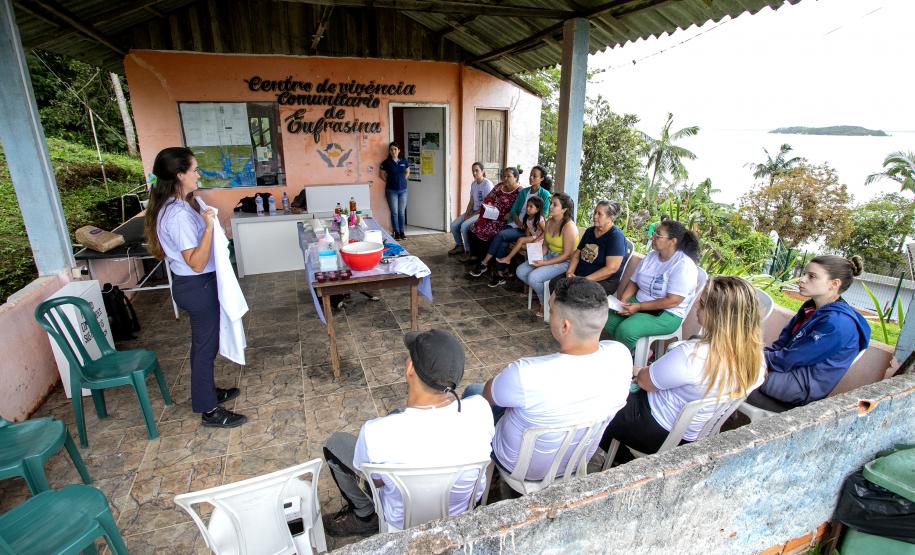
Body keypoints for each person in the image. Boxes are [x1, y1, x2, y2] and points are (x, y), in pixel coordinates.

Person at [322, 329, 494, 536]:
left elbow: (375, 481)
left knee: (335, 444)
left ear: (410, 368)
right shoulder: (481, 410)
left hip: (400, 521)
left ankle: (364, 516)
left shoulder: (376, 432)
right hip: (458, 514)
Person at [463, 277, 631, 481]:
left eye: (551, 311)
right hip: (574, 462)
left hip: (519, 467)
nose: (548, 316)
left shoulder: (525, 374)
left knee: (474, 392)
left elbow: (488, 395)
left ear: (565, 326)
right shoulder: (621, 355)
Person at [600, 276, 766, 462]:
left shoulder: (693, 356)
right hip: (693, 436)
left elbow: (646, 383)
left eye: (702, 304)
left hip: (653, 430)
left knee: (597, 400)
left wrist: (637, 370)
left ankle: (621, 461)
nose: (696, 307)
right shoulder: (758, 361)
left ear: (717, 315)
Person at [143, 147, 246, 428]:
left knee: (207, 345)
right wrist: (209, 226)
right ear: (180, 175)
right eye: (195, 170)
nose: (198, 174)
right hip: (196, 284)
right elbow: (196, 262)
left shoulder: (181, 204)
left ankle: (208, 392)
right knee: (204, 347)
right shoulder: (176, 215)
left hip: (196, 284)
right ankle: (209, 410)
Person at [746, 255, 871, 412]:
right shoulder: (812, 307)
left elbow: (790, 358)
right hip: (786, 370)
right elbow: (782, 343)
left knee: (726, 369)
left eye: (811, 276)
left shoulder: (837, 323)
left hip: (800, 385)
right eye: (804, 274)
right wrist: (758, 357)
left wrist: (754, 360)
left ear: (834, 284)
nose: (802, 279)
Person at [604, 220, 700, 351]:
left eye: (658, 235)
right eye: (654, 233)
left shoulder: (683, 265)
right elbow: (634, 282)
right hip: (639, 302)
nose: (652, 237)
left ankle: (629, 358)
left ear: (673, 241)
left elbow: (673, 301)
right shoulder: (651, 256)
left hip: (668, 312)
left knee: (627, 330)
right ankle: (635, 351)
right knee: (605, 317)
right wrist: (623, 301)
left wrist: (639, 307)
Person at [469, 165, 552, 278]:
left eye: (534, 176)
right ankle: (499, 273)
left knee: (501, 234)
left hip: (530, 229)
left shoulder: (545, 194)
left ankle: (484, 263)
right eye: (530, 175)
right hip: (517, 224)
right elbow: (513, 211)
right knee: (502, 241)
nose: (531, 177)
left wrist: (526, 224)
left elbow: (544, 215)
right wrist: (518, 222)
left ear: (541, 179)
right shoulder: (525, 192)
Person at [515, 193, 578, 311]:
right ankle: (540, 292)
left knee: (533, 278)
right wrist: (537, 257)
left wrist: (543, 263)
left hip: (565, 262)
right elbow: (545, 245)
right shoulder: (549, 221)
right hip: (549, 255)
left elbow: (567, 255)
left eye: (555, 205)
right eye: (551, 203)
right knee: (520, 271)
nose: (550, 207)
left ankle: (545, 304)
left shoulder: (569, 227)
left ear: (564, 209)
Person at [554, 200, 629, 296]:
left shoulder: (615, 237)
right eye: (595, 212)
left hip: (602, 281)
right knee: (555, 283)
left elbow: (611, 268)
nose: (595, 216)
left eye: (599, 214)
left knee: (574, 294)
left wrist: (583, 280)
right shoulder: (590, 231)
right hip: (580, 275)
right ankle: (555, 310)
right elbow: (577, 255)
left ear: (610, 218)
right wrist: (569, 273)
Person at [465, 167, 522, 267]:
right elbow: (489, 197)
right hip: (490, 215)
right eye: (504, 176)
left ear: (516, 177)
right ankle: (475, 256)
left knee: (486, 232)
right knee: (472, 228)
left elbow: (516, 210)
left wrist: (507, 216)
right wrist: (489, 204)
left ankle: (485, 261)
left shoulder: (520, 191)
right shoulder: (500, 185)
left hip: (503, 220)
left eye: (509, 176)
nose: (505, 178)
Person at [448, 162, 494, 256]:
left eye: (477, 170)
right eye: (473, 171)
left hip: (483, 212)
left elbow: (486, 205)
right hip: (474, 211)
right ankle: (459, 246)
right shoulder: (473, 184)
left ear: (483, 171)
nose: (474, 173)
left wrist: (471, 215)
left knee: (464, 226)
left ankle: (468, 251)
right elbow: (471, 201)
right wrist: (467, 213)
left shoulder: (487, 184)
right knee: (453, 225)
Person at [494, 196, 545, 266]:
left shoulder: (539, 219)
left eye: (531, 207)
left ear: (537, 209)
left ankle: (508, 258)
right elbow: (528, 230)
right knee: (520, 246)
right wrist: (528, 239)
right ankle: (526, 264)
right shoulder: (528, 218)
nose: (527, 208)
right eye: (527, 205)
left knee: (521, 240)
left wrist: (535, 240)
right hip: (534, 237)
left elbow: (546, 232)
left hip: (540, 239)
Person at [379, 142, 410, 240]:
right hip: (391, 191)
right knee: (394, 212)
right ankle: (396, 232)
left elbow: (408, 171)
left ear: (399, 150)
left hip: (403, 191)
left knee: (401, 212)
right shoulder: (386, 162)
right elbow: (381, 174)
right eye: (391, 149)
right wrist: (390, 181)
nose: (393, 151)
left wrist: (404, 179)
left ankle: (402, 232)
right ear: (389, 151)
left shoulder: (404, 161)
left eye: (395, 149)